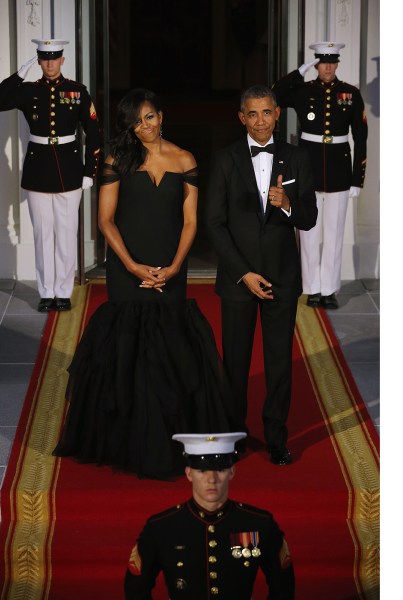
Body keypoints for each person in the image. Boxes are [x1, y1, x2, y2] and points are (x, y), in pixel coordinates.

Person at [53, 89, 233, 480]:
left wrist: (173, 267)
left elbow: (190, 222)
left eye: (150, 117)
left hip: (171, 266)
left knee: (170, 349)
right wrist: (133, 267)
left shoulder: (185, 159)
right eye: (137, 121)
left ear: (161, 116)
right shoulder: (117, 159)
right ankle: (127, 439)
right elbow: (105, 221)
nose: (145, 127)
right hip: (127, 267)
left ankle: (171, 438)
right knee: (129, 349)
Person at [206, 85, 318, 466]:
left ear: (278, 113)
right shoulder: (224, 160)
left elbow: (310, 217)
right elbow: (214, 224)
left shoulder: (298, 158)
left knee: (278, 363)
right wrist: (244, 274)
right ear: (241, 117)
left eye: (266, 113)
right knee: (234, 365)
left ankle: (276, 437)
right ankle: (234, 436)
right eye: (251, 114)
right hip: (240, 280)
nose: (260, 121)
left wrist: (287, 204)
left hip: (282, 277)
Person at [0, 39, 101, 312]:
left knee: (66, 233)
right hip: (38, 170)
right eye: (44, 58)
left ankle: (63, 291)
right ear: (38, 61)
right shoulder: (28, 91)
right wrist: (18, 75)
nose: (49, 63)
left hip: (70, 170)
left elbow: (94, 133)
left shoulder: (77, 92)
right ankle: (46, 292)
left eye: (54, 58)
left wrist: (89, 172)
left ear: (62, 59)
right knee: (42, 235)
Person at [124, 432, 295, 599]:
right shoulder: (162, 527)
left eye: (220, 470)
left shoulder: (258, 524)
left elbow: (283, 587)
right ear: (189, 473)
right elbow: (136, 589)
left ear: (232, 472)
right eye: (202, 471)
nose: (211, 479)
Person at [272, 41, 368, 310]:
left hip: (339, 169)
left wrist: (357, 178)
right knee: (308, 231)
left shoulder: (350, 93)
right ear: (316, 64)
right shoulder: (303, 90)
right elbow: (274, 95)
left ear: (337, 63)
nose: (327, 67)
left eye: (332, 61)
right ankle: (311, 287)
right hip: (308, 167)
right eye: (322, 62)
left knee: (335, 232)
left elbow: (360, 137)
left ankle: (329, 290)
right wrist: (298, 72)